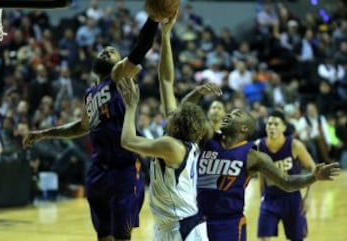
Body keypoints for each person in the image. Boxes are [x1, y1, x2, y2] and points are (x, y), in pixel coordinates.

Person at [23, 16, 159, 241]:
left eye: (112, 51)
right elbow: (82, 126)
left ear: (121, 63)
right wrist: (44, 133)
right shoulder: (90, 93)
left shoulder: (117, 77)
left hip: (122, 168)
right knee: (103, 235)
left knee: (121, 236)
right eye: (103, 50)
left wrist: (153, 18)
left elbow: (142, 46)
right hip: (97, 169)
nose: (106, 51)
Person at [182, 89, 340, 241]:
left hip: (228, 222)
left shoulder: (253, 156)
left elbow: (286, 182)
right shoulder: (209, 139)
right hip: (198, 218)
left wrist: (314, 177)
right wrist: (198, 93)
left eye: (235, 114)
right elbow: (185, 112)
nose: (228, 115)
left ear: (243, 128)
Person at [118, 15, 215, 241]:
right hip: (168, 225)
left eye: (174, 114)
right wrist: (166, 35)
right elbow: (166, 81)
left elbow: (128, 141)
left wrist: (131, 107)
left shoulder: (171, 146)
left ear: (178, 123)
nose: (169, 112)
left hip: (183, 226)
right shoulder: (178, 139)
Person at [256, 110, 316, 241]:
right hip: (270, 198)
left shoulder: (294, 145)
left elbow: (313, 168)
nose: (272, 126)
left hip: (292, 198)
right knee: (264, 237)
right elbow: (261, 172)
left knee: (298, 237)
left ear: (283, 127)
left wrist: (308, 197)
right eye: (269, 123)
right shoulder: (259, 146)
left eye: (276, 124)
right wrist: (261, 195)